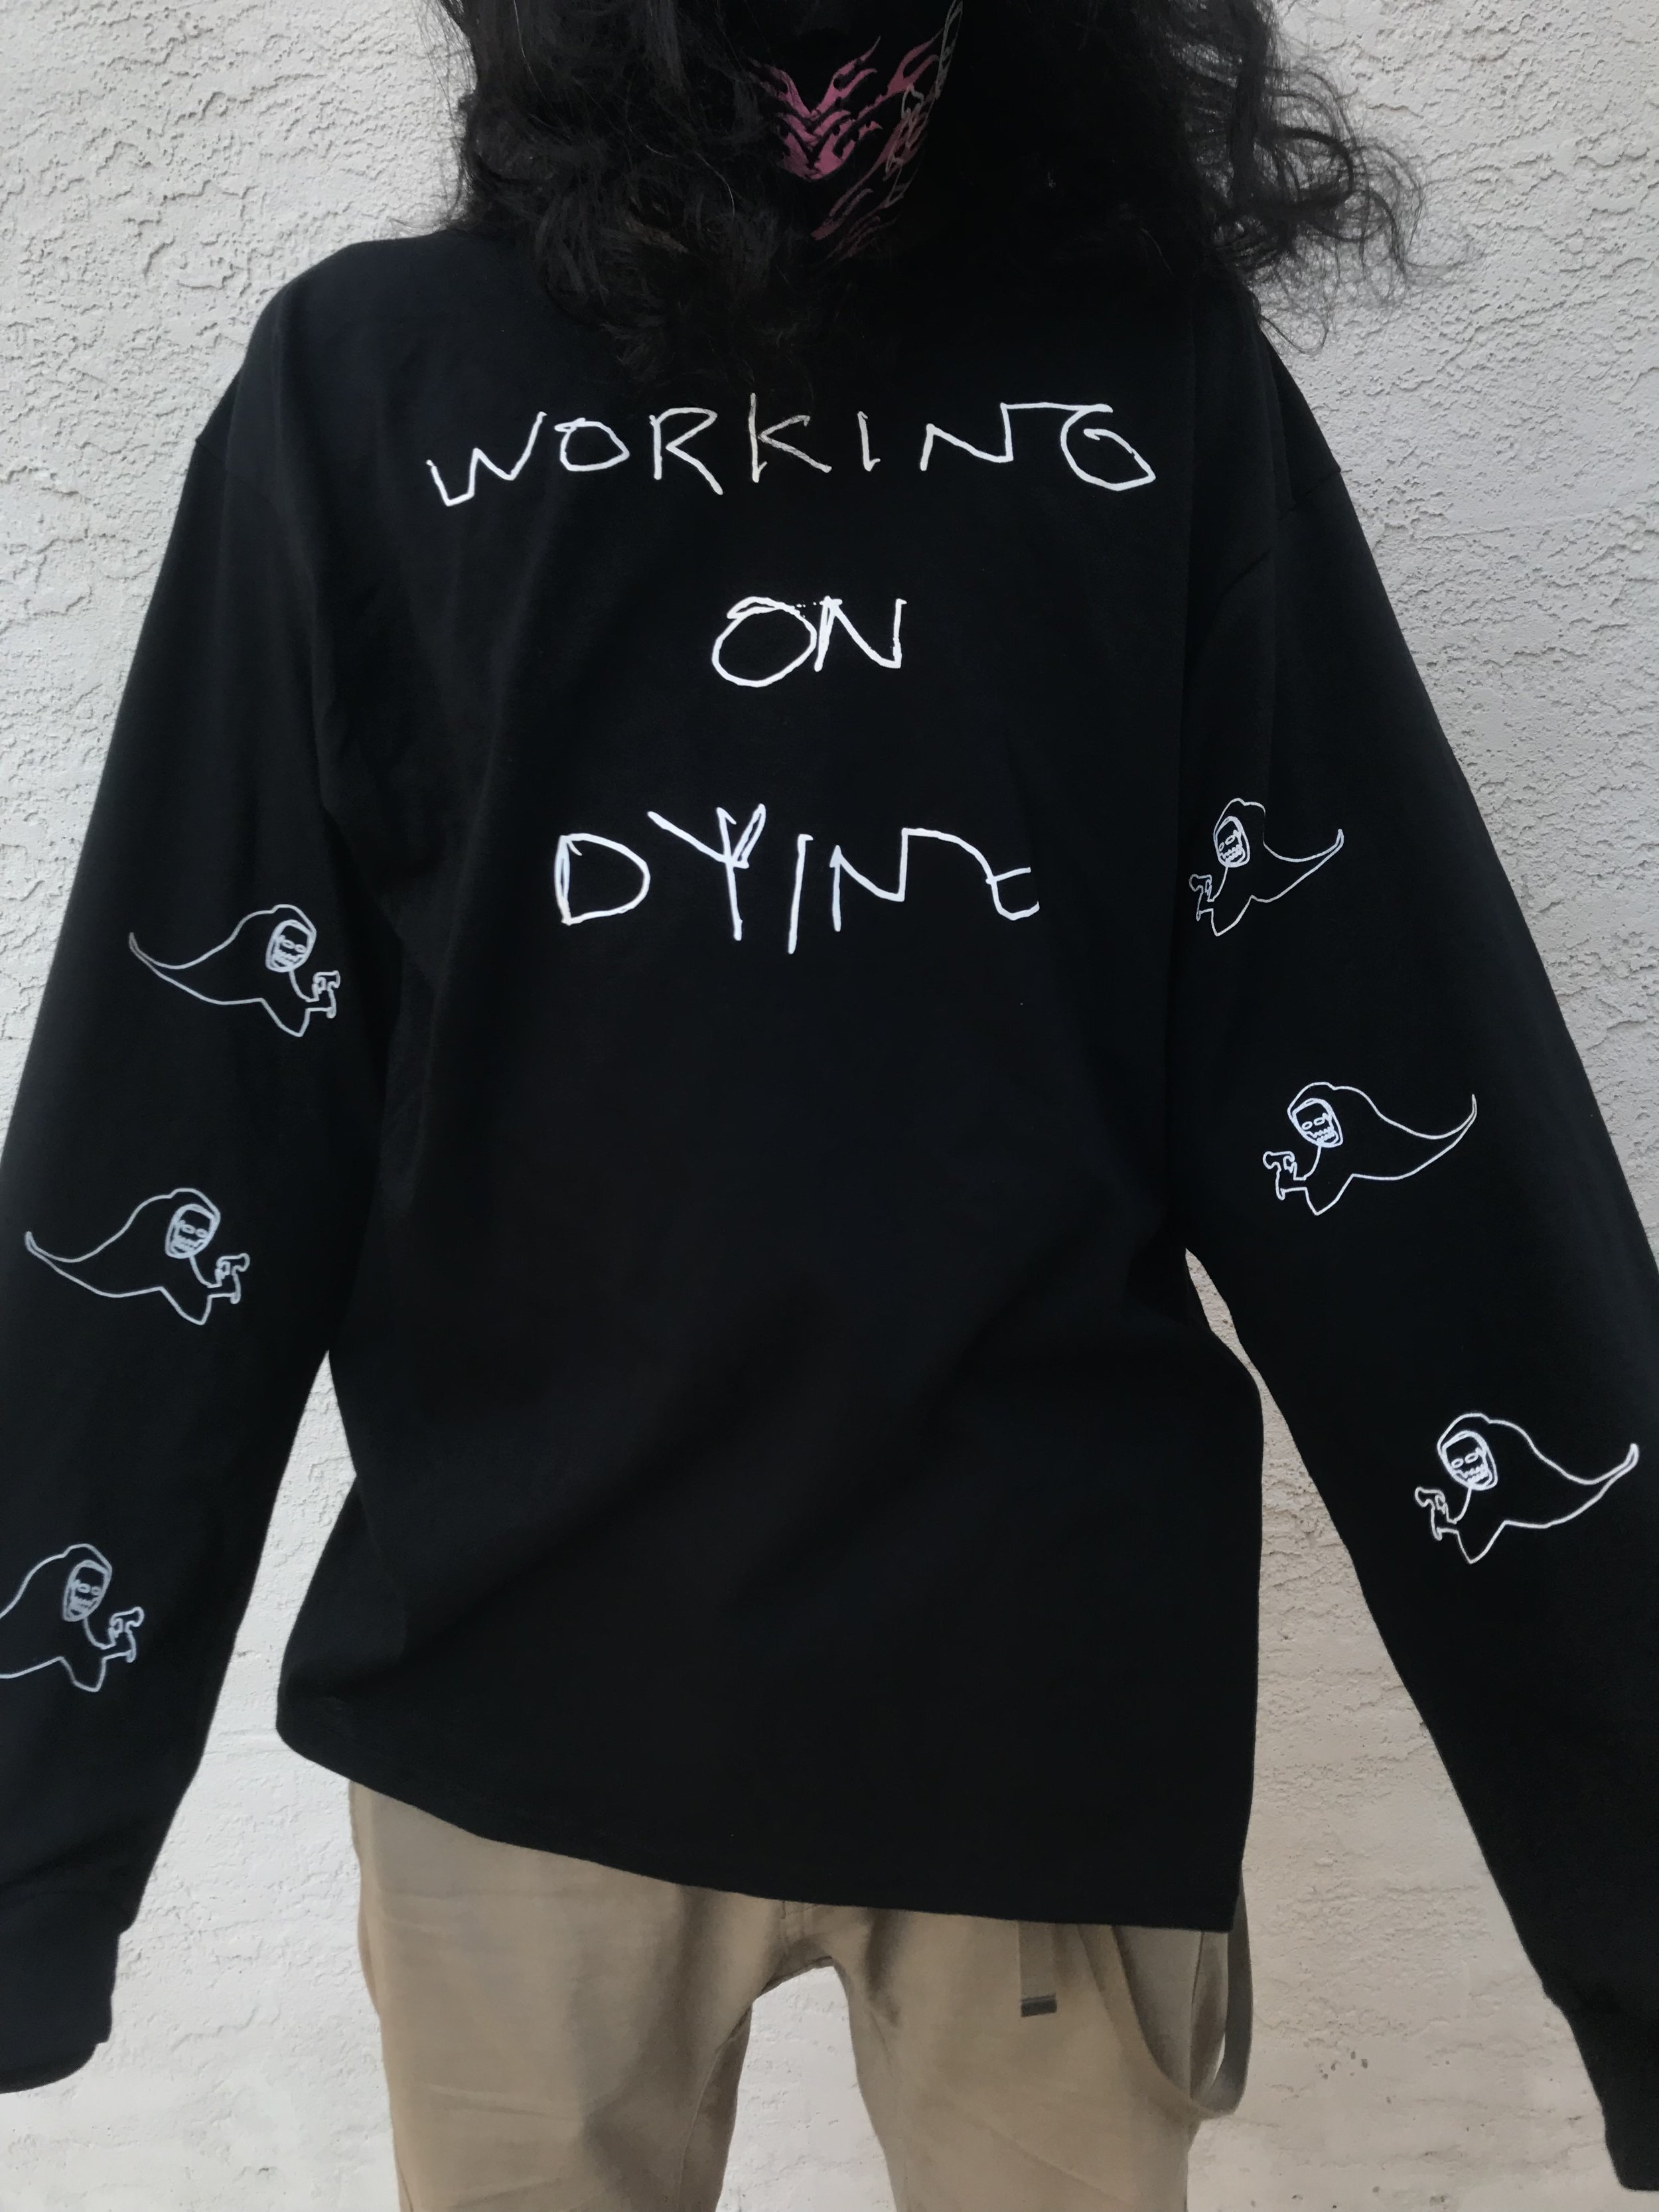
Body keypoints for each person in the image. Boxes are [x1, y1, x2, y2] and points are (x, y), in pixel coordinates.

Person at [0, 0, 1654, 2205]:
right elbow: (195, 1086)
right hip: (520, 1724)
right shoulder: (374, 381)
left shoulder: (1145, 391)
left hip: (1032, 1727)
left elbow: (1389, 1094)